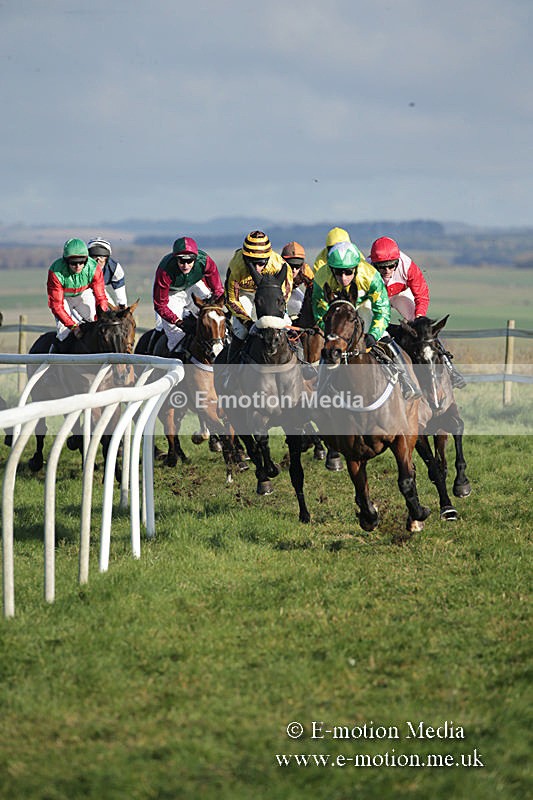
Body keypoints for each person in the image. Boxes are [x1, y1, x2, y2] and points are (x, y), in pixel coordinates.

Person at [312, 241, 422, 399]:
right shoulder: (322, 276)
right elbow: (319, 307)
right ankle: (320, 388)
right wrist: (329, 330)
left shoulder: (370, 275)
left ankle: (407, 382)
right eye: (338, 272)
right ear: (331, 269)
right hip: (338, 309)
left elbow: (382, 308)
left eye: (348, 272)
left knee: (383, 335)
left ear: (356, 268)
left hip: (364, 305)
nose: (343, 278)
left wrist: (374, 334)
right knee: (331, 343)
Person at [369, 236, 465, 388]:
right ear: (373, 263)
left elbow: (421, 294)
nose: (387, 271)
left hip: (400, 294)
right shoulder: (366, 269)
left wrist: (419, 316)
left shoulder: (407, 265)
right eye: (381, 267)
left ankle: (451, 369)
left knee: (421, 328)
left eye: (391, 265)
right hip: (377, 298)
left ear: (398, 261)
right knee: (374, 327)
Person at [225, 230, 293, 360]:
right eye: (251, 262)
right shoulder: (236, 267)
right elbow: (231, 300)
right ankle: (230, 368)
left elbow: (284, 295)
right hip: (244, 294)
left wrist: (275, 316)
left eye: (261, 263)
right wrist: (248, 323)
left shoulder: (279, 265)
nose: (256, 268)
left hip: (269, 295)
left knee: (286, 325)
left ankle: (302, 362)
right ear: (245, 258)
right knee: (242, 331)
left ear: (268, 259)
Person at [153, 236, 224, 356]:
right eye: (181, 261)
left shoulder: (205, 262)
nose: (185, 266)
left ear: (195, 259)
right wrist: (178, 322)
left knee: (213, 316)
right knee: (176, 334)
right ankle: (178, 361)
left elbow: (218, 290)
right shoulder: (165, 270)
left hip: (194, 286)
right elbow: (160, 304)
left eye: (189, 261)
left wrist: (216, 304)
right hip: (172, 293)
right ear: (176, 259)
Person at [47, 238, 109, 349]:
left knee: (95, 323)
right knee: (64, 333)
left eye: (82, 262)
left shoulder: (94, 268)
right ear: (66, 261)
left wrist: (102, 315)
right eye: (73, 263)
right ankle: (55, 355)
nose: (78, 266)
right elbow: (57, 306)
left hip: (82, 294)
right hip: (63, 298)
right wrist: (74, 327)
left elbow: (101, 297)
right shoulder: (56, 271)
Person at [87, 237, 128, 308]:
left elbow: (121, 298)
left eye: (101, 257)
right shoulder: (80, 267)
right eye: (94, 257)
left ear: (107, 258)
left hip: (101, 291)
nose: (97, 261)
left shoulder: (115, 269)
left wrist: (122, 309)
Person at [281, 241, 314, 321]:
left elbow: (314, 290)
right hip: (278, 292)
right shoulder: (276, 268)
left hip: (293, 291)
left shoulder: (305, 270)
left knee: (300, 304)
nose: (294, 270)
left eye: (297, 265)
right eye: (291, 266)